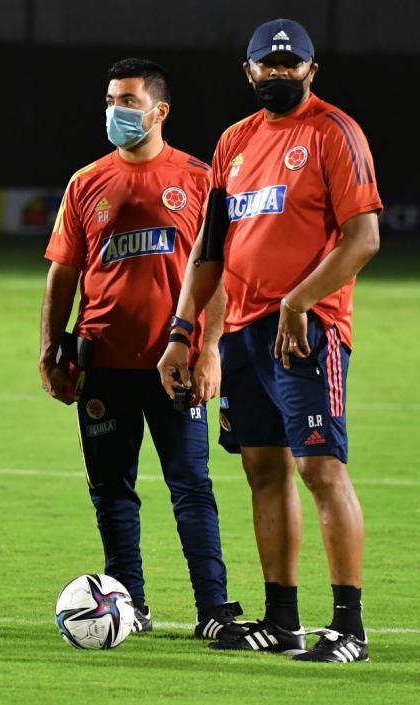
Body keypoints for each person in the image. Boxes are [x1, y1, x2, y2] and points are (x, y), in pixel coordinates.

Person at [158, 18, 382, 662]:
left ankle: (349, 627)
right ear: (249, 72)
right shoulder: (234, 141)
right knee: (262, 469)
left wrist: (301, 301)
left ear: (312, 71)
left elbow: (362, 237)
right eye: (268, 64)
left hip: (307, 332)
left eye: (292, 64)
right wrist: (183, 329)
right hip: (241, 331)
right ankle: (281, 618)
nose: (279, 73)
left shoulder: (334, 132)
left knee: (320, 468)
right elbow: (211, 245)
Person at [40, 58, 244, 641]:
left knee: (191, 484)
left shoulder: (202, 179)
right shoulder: (86, 183)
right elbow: (61, 274)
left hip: (176, 364)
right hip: (102, 362)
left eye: (128, 101)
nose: (115, 111)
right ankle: (129, 603)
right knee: (111, 491)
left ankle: (213, 608)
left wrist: (211, 350)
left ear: (161, 111)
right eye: (110, 100)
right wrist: (50, 350)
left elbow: (220, 271)